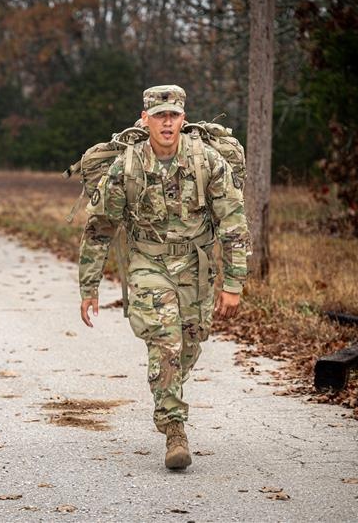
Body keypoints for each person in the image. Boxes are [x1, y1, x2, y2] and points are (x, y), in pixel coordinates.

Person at [78, 85, 249, 470]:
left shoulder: (207, 161)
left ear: (183, 120)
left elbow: (234, 225)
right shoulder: (128, 165)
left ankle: (166, 387)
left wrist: (233, 283)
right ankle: (174, 430)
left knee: (188, 343)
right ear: (146, 120)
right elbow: (101, 226)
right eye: (159, 116)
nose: (167, 122)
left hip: (196, 267)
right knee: (166, 341)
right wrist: (88, 286)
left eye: (173, 115)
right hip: (148, 264)